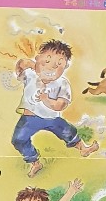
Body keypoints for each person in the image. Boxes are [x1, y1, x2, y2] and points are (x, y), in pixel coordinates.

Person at [11, 40, 98, 175]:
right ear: (37, 59)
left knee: (67, 131)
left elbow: (61, 105)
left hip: (52, 118)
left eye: (58, 65)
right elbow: (20, 65)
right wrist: (30, 64)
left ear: (65, 67)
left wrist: (46, 100)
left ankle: (83, 148)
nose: (50, 68)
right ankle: (35, 162)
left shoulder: (62, 83)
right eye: (46, 62)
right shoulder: (31, 75)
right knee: (18, 139)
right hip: (30, 118)